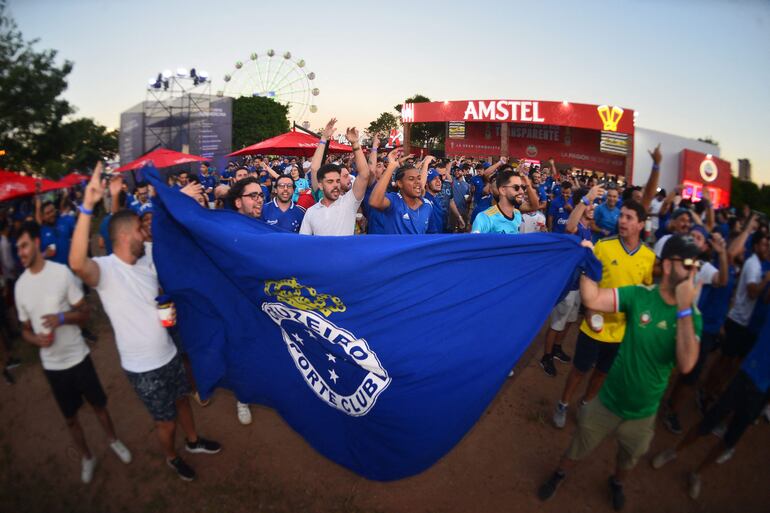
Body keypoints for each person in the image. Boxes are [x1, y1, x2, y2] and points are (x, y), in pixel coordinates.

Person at [69, 163, 221, 481]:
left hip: (167, 353)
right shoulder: (106, 270)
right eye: (140, 230)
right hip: (142, 367)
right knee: (165, 422)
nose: (145, 234)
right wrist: (87, 205)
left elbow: (162, 230)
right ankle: (171, 456)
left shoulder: (144, 262)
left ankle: (193, 442)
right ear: (126, 236)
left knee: (182, 401)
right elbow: (76, 262)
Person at [538, 234, 703, 511]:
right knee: (578, 445)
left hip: (644, 412)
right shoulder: (640, 295)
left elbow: (687, 364)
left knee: (628, 459)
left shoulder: (691, 316)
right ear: (667, 265)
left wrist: (684, 309)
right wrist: (587, 260)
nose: (693, 270)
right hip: (609, 401)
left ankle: (616, 482)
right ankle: (560, 473)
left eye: (696, 265)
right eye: (688, 262)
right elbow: (592, 297)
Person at [15, 221, 132, 483]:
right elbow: (24, 329)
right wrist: (34, 338)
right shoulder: (20, 286)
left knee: (99, 406)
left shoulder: (61, 274)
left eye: (23, 245)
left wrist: (62, 318)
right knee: (70, 419)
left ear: (35, 243)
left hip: (78, 357)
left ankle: (114, 441)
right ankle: (87, 457)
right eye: (16, 248)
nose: (20, 252)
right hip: (52, 366)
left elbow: (85, 313)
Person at [552, 200, 655, 429]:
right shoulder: (603, 247)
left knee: (601, 374)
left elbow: (644, 292)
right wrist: (589, 311)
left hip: (620, 333)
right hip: (593, 327)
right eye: (621, 216)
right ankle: (563, 403)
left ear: (640, 224)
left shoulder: (648, 257)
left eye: (629, 217)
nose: (622, 221)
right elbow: (589, 282)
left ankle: (586, 404)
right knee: (579, 370)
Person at [651, 309, 770, 500]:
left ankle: (697, 474)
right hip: (746, 376)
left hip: (762, 393)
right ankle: (672, 452)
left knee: (730, 440)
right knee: (709, 422)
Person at [540, 185, 604, 377]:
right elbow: (569, 226)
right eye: (591, 205)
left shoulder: (588, 229)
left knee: (569, 320)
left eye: (595, 205)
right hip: (568, 285)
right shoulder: (575, 227)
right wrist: (586, 199)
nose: (593, 208)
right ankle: (546, 356)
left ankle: (557, 348)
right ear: (581, 205)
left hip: (579, 285)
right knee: (557, 322)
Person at [301, 121, 370, 236]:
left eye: (338, 181)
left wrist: (355, 144)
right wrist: (323, 138)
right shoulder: (311, 212)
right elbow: (314, 168)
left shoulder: (349, 202)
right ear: (320, 185)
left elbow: (364, 174)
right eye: (330, 181)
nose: (335, 185)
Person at [368, 151, 433, 234]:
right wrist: (391, 166)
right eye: (411, 179)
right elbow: (374, 202)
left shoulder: (427, 205)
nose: (417, 182)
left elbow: (432, 235)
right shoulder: (394, 201)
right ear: (400, 183)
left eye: (419, 178)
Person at [471, 167, 538, 234]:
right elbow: (473, 242)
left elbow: (534, 206)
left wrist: (528, 184)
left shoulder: (517, 214)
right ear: (502, 190)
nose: (522, 191)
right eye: (516, 188)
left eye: (523, 187)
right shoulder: (484, 218)